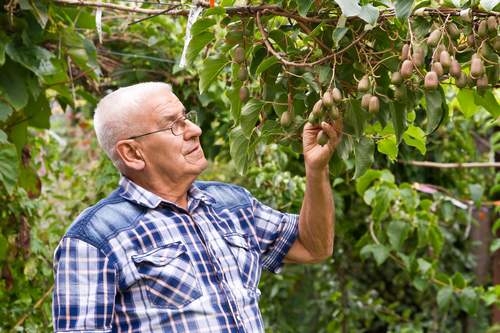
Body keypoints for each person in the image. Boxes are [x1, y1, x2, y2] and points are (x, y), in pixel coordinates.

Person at [52, 82, 341, 333]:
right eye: (173, 125)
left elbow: (313, 246)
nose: (195, 130)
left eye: (186, 118)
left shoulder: (232, 205)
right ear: (132, 153)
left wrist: (316, 171)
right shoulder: (94, 239)